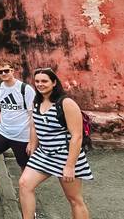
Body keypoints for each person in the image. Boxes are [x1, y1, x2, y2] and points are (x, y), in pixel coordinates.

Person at [19, 68, 92, 219]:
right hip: (44, 153)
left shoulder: (66, 103)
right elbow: (34, 124)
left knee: (74, 200)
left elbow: (77, 136)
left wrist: (70, 166)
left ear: (54, 82)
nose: (40, 84)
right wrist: (32, 144)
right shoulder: (37, 101)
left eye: (44, 81)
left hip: (65, 155)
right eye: (37, 81)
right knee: (24, 184)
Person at [0, 60, 36, 170]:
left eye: (6, 70)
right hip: (3, 132)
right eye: (0, 72)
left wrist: (32, 141)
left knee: (25, 167)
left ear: (12, 71)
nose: (3, 74)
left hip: (22, 135)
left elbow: (33, 116)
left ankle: (26, 187)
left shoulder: (25, 89)